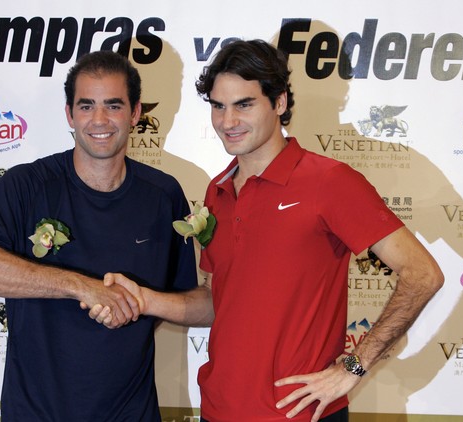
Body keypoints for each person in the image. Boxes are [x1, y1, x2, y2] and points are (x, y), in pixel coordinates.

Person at [88, 39, 444, 422]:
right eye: (218, 106)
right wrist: (143, 299)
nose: (228, 121)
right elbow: (218, 302)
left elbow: (423, 274)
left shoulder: (329, 182)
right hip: (219, 410)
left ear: (279, 103)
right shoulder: (217, 191)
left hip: (301, 413)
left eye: (244, 104)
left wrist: (354, 366)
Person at [0, 50, 198, 421]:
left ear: (135, 113)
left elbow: (197, 301)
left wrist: (141, 300)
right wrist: (82, 286)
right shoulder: (26, 185)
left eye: (113, 106)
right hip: (36, 413)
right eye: (86, 106)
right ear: (69, 114)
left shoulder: (163, 195)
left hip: (131, 413)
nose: (99, 120)